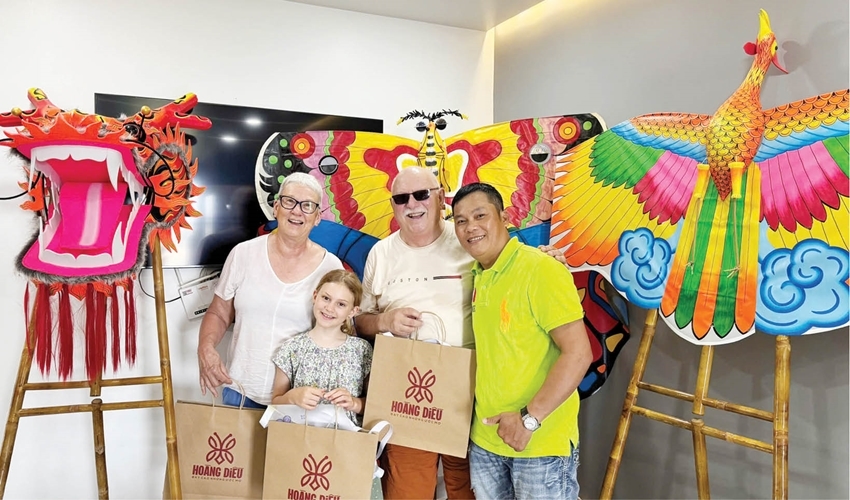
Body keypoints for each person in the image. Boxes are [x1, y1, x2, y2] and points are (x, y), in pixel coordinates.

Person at [451, 182, 592, 500]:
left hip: (539, 443)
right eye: (460, 221)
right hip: (486, 442)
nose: (470, 227)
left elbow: (579, 353)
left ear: (504, 217)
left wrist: (530, 419)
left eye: (479, 215)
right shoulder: (478, 275)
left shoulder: (541, 269)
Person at [356, 167, 475, 500]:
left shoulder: (467, 238)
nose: (412, 204)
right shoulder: (380, 254)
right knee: (408, 490)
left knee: (468, 489)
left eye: (422, 194)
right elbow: (358, 321)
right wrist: (385, 321)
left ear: (440, 197)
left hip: (467, 391)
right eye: (401, 198)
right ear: (393, 206)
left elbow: (509, 270)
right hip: (406, 394)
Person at [197, 172, 343, 407]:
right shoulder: (242, 254)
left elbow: (339, 333)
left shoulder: (331, 267)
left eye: (307, 206)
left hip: (298, 399)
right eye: (289, 202)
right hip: (241, 390)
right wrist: (205, 348)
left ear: (317, 217)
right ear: (276, 207)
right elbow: (219, 312)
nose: (297, 211)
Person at [270, 269, 372, 425]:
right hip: (298, 438)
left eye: (341, 304)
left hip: (345, 441)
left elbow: (375, 406)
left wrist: (354, 403)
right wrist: (293, 397)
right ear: (315, 296)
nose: (329, 308)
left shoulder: (362, 351)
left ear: (353, 311)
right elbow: (276, 403)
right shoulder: (292, 348)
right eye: (326, 298)